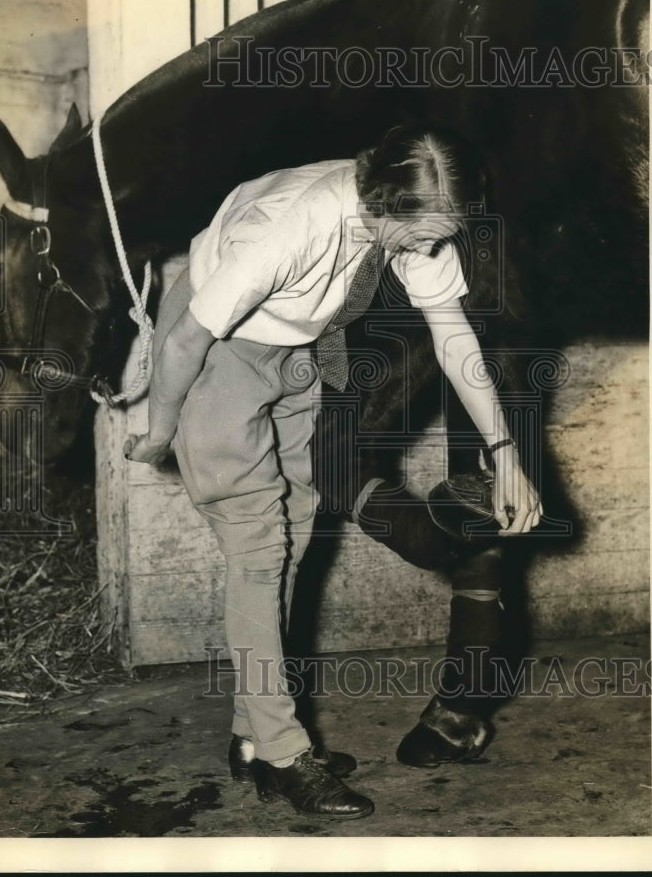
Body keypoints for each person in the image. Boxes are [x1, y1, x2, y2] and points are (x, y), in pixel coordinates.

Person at [124, 126, 541, 820]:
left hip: (297, 343)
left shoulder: (410, 217)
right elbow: (189, 337)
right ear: (379, 211)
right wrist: (161, 429)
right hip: (218, 346)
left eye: (442, 236)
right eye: (420, 237)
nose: (428, 252)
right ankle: (288, 758)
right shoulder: (296, 227)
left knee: (291, 538)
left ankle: (252, 741)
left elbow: (453, 332)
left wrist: (505, 455)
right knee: (256, 554)